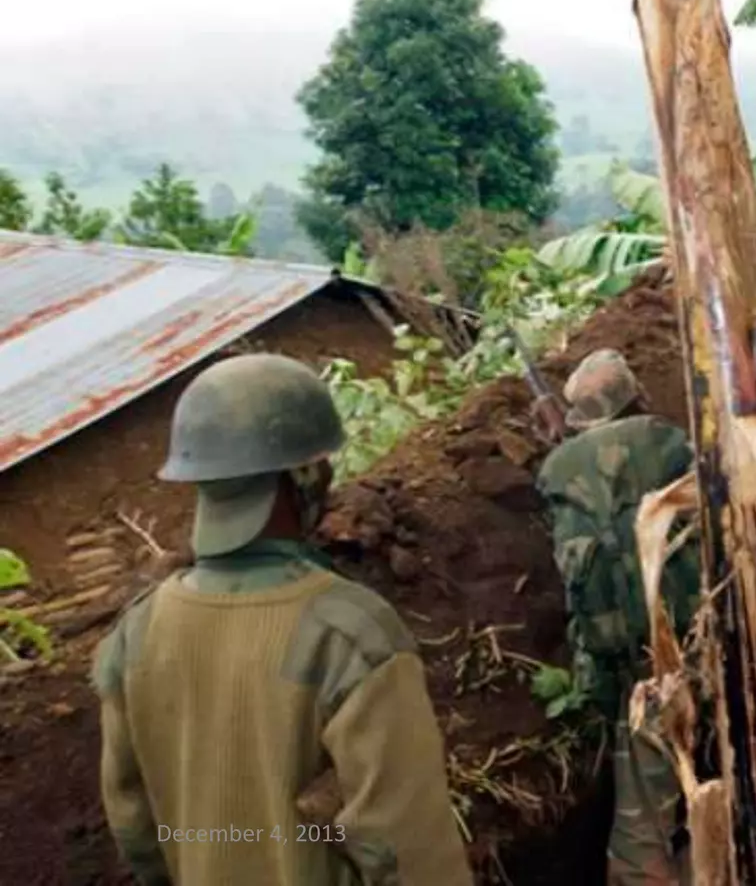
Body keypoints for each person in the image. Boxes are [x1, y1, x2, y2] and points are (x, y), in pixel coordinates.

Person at [93, 353, 472, 885]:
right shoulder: (350, 633)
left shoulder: (135, 634)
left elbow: (134, 826)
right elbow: (408, 850)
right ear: (304, 474)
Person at [534, 349, 699, 886]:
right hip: (711, 649)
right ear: (635, 396)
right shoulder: (671, 441)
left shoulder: (557, 470)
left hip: (633, 675)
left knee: (644, 834)